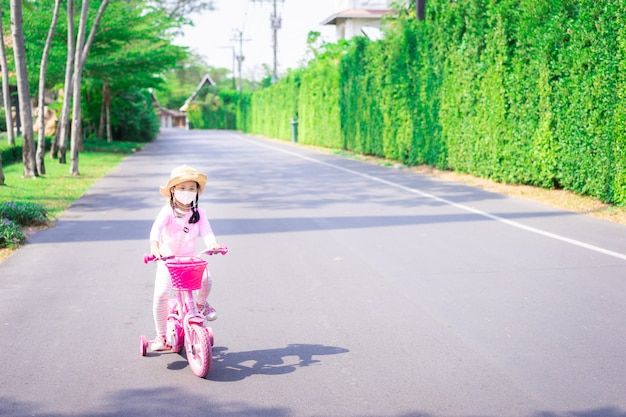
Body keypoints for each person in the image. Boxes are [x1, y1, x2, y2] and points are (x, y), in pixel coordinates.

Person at [148, 164, 222, 351]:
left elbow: (207, 232)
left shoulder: (199, 213)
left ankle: (200, 306)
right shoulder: (167, 212)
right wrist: (154, 247)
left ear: (197, 192)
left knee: (207, 279)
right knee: (161, 296)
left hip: (190, 261)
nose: (187, 192)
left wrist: (212, 244)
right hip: (168, 261)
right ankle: (161, 336)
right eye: (182, 188)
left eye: (191, 188)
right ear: (172, 191)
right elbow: (156, 230)